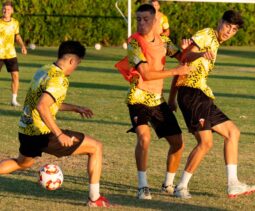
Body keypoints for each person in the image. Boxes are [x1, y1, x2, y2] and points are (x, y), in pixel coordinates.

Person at [0, 41, 111, 207]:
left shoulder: (44, 69)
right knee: (96, 147)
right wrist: (59, 134)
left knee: (22, 163)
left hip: (26, 129)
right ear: (72, 61)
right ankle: (94, 199)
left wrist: (75, 108)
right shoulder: (59, 79)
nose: (76, 67)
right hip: (43, 133)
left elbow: (45, 101)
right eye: (78, 63)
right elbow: (42, 106)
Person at [168, 10, 255, 199]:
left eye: (234, 30)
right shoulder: (207, 35)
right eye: (227, 26)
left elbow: (182, 66)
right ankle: (181, 187)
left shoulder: (215, 42)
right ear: (220, 22)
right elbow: (185, 58)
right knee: (206, 142)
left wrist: (171, 98)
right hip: (192, 94)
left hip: (201, 94)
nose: (229, 31)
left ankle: (233, 184)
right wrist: (201, 53)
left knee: (232, 132)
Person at [119, 4, 190, 200]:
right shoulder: (134, 43)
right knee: (145, 138)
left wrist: (189, 50)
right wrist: (175, 71)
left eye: (146, 19)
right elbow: (146, 74)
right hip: (138, 97)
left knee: (178, 143)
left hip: (157, 100)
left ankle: (168, 184)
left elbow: (183, 57)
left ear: (155, 20)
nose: (141, 23)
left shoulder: (165, 41)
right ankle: (143, 186)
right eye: (138, 19)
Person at [0, 1, 27, 106]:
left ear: (12, 11)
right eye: (4, 9)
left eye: (8, 9)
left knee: (15, 76)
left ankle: (14, 100)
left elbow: (17, 36)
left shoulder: (15, 22)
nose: (5, 11)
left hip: (11, 54)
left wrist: (23, 46)